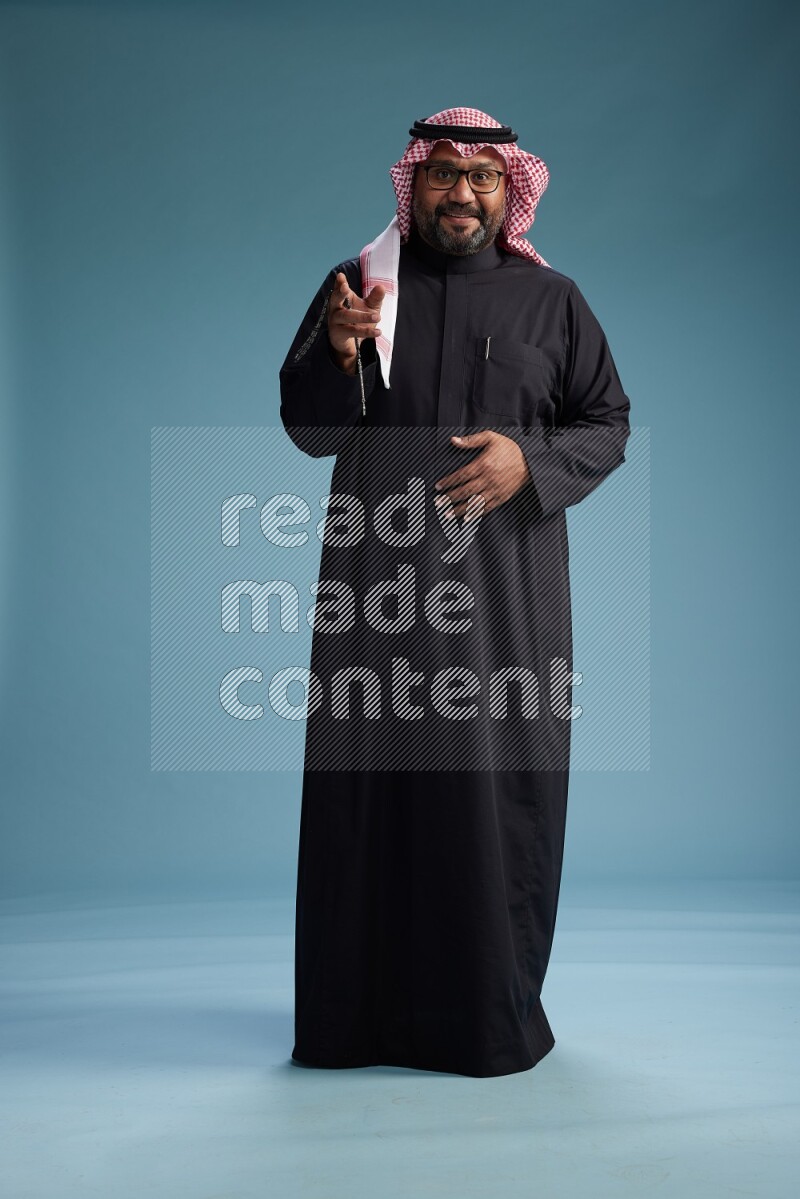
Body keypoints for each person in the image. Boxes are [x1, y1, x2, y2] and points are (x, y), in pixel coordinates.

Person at [279, 107, 631, 1078]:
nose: (462, 193)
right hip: (372, 599)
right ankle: (351, 1023)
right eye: (442, 174)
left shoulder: (550, 302)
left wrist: (531, 457)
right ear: (412, 184)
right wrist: (338, 354)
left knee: (489, 797)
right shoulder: (358, 286)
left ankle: (484, 1018)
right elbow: (308, 429)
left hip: (502, 604)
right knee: (366, 796)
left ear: (506, 190)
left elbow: (605, 421)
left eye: (481, 176)